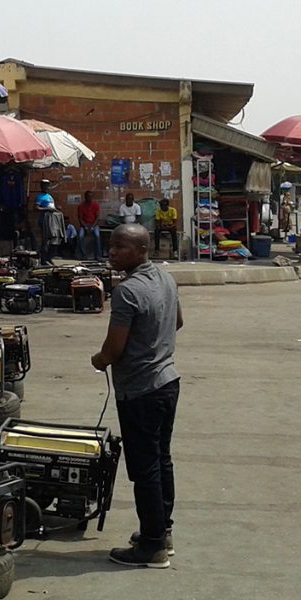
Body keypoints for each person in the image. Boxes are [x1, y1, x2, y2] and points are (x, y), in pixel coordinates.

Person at [91, 224, 182, 569]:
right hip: (168, 382)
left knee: (145, 469)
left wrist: (99, 361)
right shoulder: (166, 279)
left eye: (121, 246)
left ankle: (153, 547)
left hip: (141, 391)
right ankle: (161, 531)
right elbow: (178, 321)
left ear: (141, 250)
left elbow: (114, 349)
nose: (112, 251)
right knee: (161, 460)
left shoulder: (127, 291)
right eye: (111, 245)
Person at [35, 179, 60, 264]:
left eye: (47, 185)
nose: (46, 187)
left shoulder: (49, 196)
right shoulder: (40, 196)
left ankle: (49, 257)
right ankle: (44, 260)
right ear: (41, 186)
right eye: (44, 185)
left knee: (55, 239)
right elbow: (36, 208)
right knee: (45, 241)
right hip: (45, 220)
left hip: (52, 220)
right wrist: (48, 209)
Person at [77, 190, 101, 260]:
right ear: (85, 197)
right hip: (84, 225)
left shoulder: (95, 204)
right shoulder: (81, 206)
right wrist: (85, 227)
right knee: (80, 236)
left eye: (91, 197)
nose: (89, 198)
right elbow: (80, 218)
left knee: (97, 235)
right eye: (88, 197)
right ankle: (84, 254)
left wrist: (93, 227)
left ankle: (98, 255)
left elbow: (97, 218)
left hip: (94, 224)